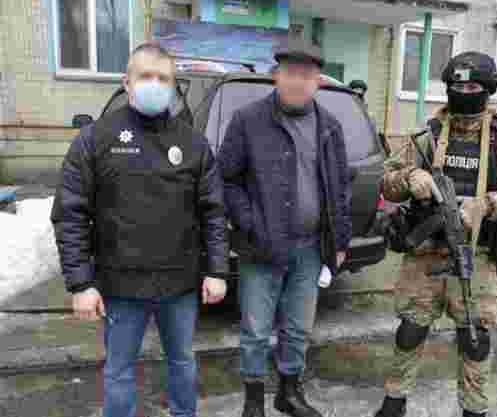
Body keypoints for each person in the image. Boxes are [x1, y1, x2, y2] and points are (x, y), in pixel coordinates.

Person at [51, 42, 229, 417]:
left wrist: (216, 270)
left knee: (182, 362)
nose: (154, 84)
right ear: (127, 82)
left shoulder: (193, 144)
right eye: (145, 76)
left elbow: (213, 212)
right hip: (121, 286)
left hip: (178, 286)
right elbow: (70, 213)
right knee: (119, 370)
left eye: (163, 78)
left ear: (174, 86)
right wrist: (81, 283)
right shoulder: (96, 139)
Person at [373, 51, 497, 417]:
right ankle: (394, 402)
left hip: (476, 259)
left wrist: (488, 205)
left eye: (473, 87)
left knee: (475, 341)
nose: (464, 93)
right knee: (409, 332)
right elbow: (385, 182)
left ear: (488, 90)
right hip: (424, 258)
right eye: (458, 87)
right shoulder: (426, 138)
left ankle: (474, 409)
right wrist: (410, 177)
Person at [219, 38, 352, 417]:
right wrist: (250, 222)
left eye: (306, 75)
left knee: (298, 328)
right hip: (262, 246)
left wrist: (340, 241)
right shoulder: (248, 120)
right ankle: (253, 403)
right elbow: (225, 180)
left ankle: (289, 393)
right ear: (276, 75)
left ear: (318, 81)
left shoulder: (329, 126)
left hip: (311, 248)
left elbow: (339, 187)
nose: (297, 81)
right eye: (290, 73)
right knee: (256, 330)